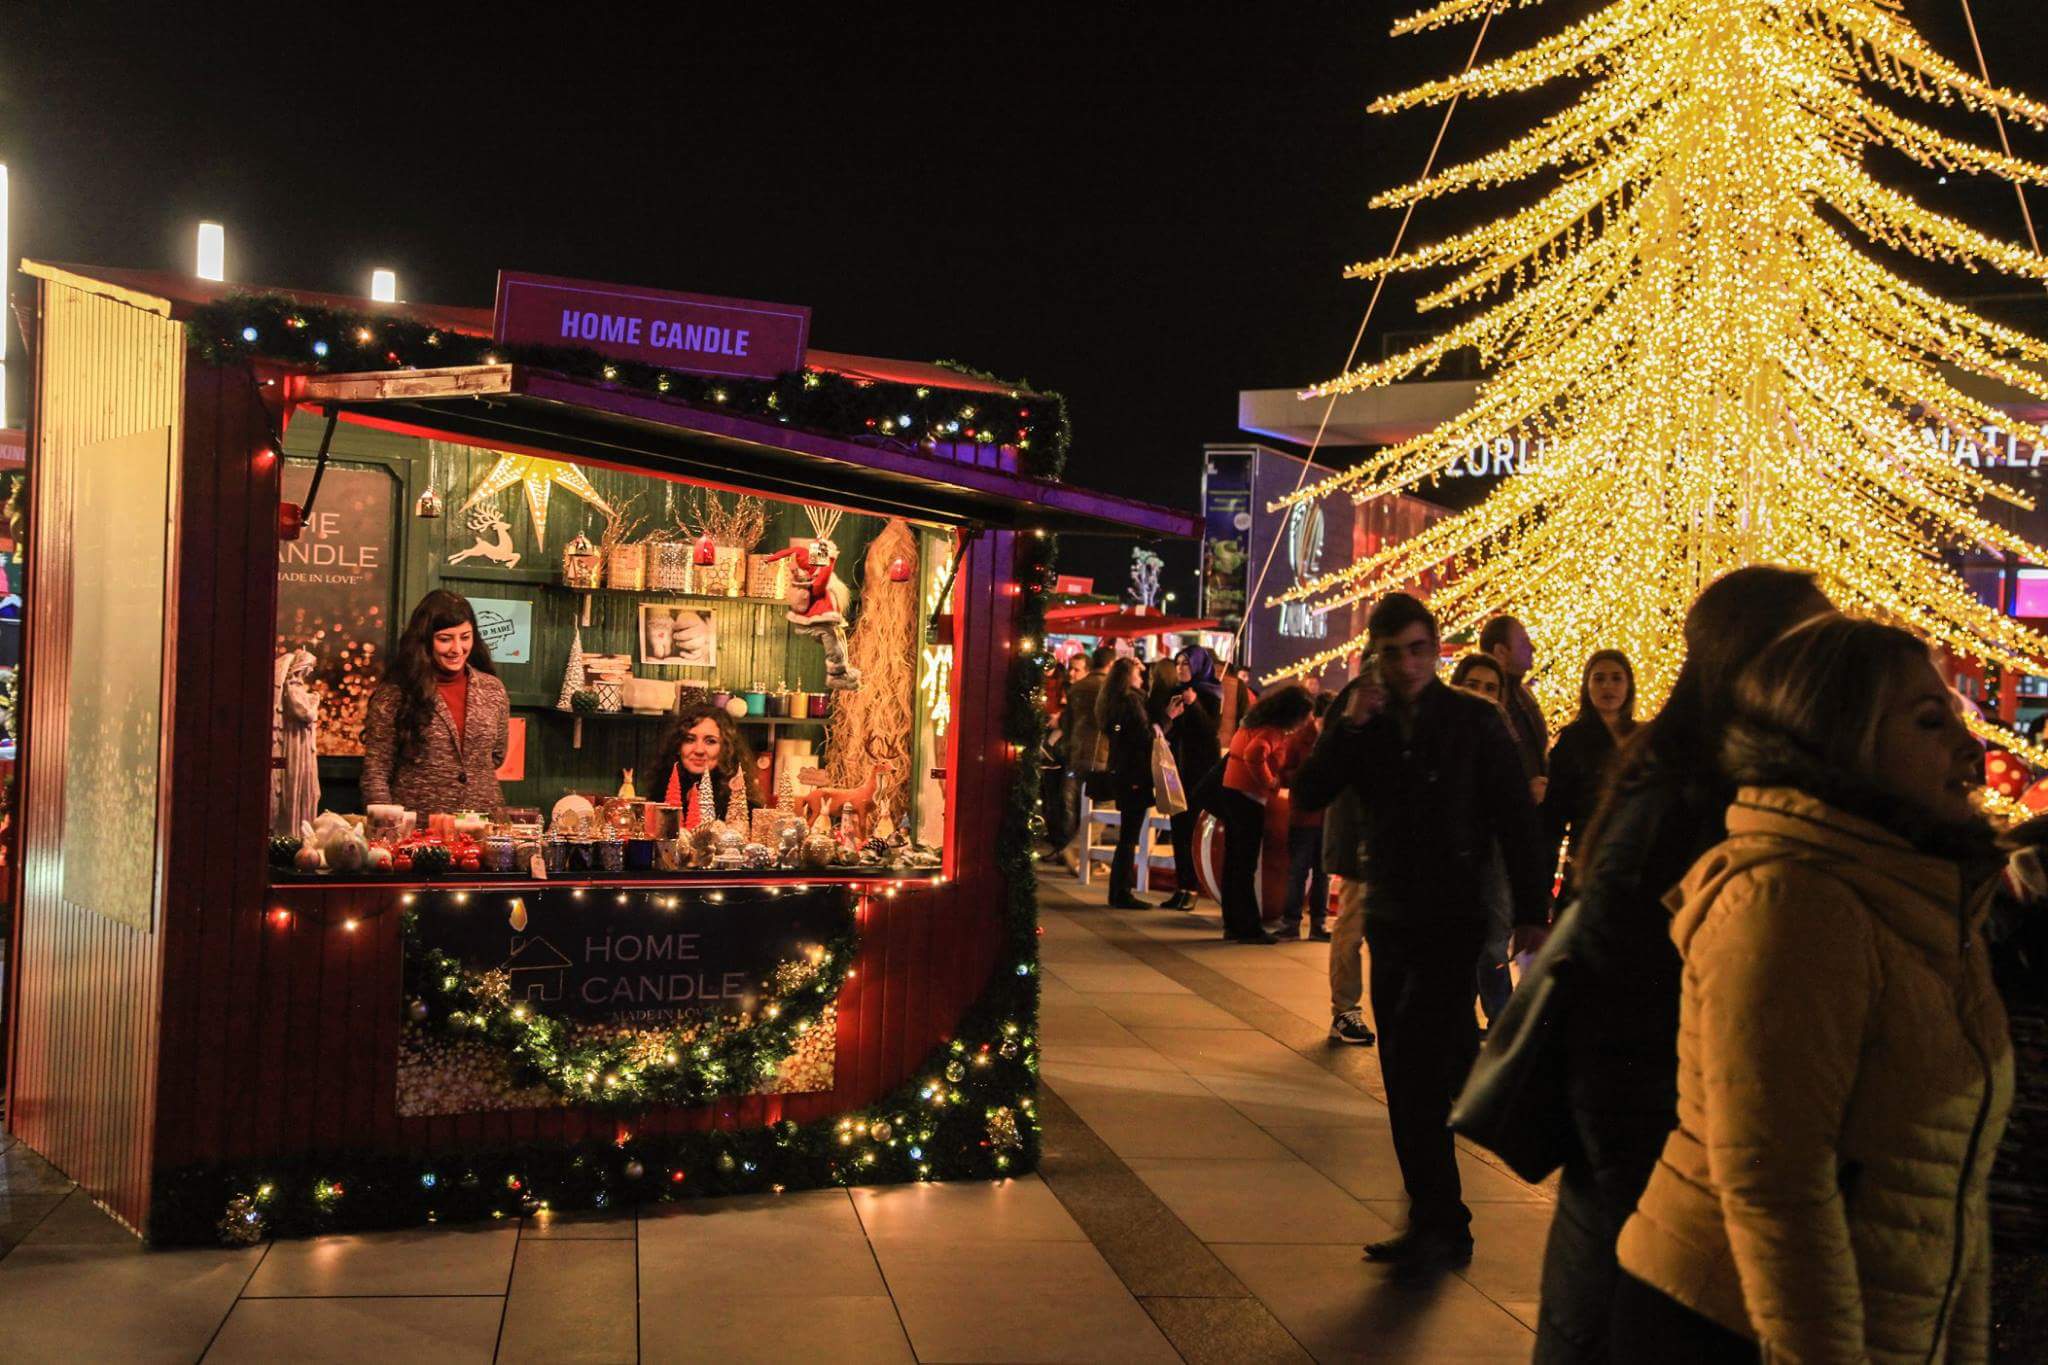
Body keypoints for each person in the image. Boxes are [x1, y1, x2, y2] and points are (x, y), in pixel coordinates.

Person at [1613, 614, 2010, 1362]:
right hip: (1734, 1328)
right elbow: (1780, 1190)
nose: (1972, 748)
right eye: (1932, 721)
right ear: (1846, 741)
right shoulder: (1790, 902)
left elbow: (1950, 1193)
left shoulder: (1929, 899)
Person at [1534, 566, 1833, 1365]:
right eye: (1808, 647)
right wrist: (1650, 1194)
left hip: (1685, 1188)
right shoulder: (1680, 801)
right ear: (1752, 661)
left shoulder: (1745, 784)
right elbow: (1611, 1020)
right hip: (1650, 1205)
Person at [1293, 593, 1546, 1270]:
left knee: (1422, 1060)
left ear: (1436, 650)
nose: (1405, 665)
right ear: (1375, 653)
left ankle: (1453, 1201)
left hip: (1453, 914)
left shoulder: (1472, 719)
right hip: (1394, 914)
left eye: (1416, 649)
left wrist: (1530, 910)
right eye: (1391, 652)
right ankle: (1438, 1215)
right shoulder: (1362, 715)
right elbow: (1310, 792)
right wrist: (1348, 725)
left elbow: (1518, 818)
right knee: (1406, 1069)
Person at [361, 590, 510, 814]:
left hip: (483, 825)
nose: (457, 649)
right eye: (445, 639)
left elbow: (496, 757)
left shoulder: (493, 689)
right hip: (418, 832)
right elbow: (376, 772)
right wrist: (388, 830)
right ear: (425, 640)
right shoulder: (395, 693)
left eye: (465, 637)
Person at [1449, 652, 1517, 1028]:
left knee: (1492, 946)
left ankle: (1503, 1025)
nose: (1482, 694)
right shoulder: (1439, 734)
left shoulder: (1505, 739)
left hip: (1492, 858)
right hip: (1449, 863)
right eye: (1473, 685)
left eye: (1491, 688)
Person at [1220, 685, 1316, 943]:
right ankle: (1249, 928)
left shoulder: (1253, 721)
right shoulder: (1272, 731)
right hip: (1248, 797)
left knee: (1233, 865)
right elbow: (1255, 754)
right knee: (1245, 865)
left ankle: (1232, 923)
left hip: (1232, 791)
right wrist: (1269, 780)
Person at [1545, 651, 1637, 900]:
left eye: (1616, 678)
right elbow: (1554, 813)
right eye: (1599, 679)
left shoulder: (1640, 739)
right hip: (1586, 860)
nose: (1608, 686)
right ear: (1587, 686)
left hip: (1633, 861)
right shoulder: (1573, 740)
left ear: (1628, 685)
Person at [1158, 646, 1223, 911]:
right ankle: (1181, 886)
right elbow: (1168, 734)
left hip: (1200, 772)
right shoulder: (1175, 694)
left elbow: (1209, 731)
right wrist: (1170, 718)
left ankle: (1193, 888)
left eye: (1186, 663)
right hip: (1178, 771)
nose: (1181, 668)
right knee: (1178, 831)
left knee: (1192, 831)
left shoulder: (1211, 693)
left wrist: (1193, 704)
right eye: (1178, 663)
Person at [1095, 657, 1156, 909]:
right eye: (1137, 674)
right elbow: (1143, 737)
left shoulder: (1112, 702)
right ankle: (1122, 892)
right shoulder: (1132, 702)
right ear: (1128, 678)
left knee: (1127, 834)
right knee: (1130, 836)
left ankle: (1119, 890)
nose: (1141, 677)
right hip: (1134, 775)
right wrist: (1166, 721)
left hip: (1122, 773)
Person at [1276, 697, 1329, 940]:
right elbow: (1284, 774)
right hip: (1304, 815)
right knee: (1297, 871)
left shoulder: (1335, 741)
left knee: (1323, 872)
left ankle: (1318, 923)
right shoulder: (1298, 740)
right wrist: (1307, 775)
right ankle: (1291, 922)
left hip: (1327, 817)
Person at [654, 703, 758, 823]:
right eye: (690, 739)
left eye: (710, 741)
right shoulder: (660, 792)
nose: (699, 750)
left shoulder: (740, 801)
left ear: (726, 748)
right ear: (678, 746)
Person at [1482, 614, 1549, 803]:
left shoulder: (1522, 696)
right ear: (1501, 652)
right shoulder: (1490, 701)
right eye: (1524, 643)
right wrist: (1524, 793)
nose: (1532, 648)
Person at [1059, 646, 1114, 872]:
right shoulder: (1110, 689)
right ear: (1110, 665)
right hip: (1101, 754)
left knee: (1078, 805)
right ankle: (1075, 851)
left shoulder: (1077, 688)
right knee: (1103, 805)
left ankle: (1089, 859)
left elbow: (1067, 722)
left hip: (1077, 752)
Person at [1217, 660, 1258, 748]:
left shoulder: (1250, 693)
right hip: (1232, 742)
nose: (1247, 679)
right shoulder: (1240, 688)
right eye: (1244, 676)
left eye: (1248, 676)